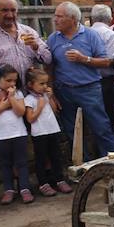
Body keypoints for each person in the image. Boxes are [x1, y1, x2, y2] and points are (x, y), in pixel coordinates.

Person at [47, 2, 114, 160]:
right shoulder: (53, 39)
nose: (55, 19)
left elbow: (106, 61)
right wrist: (51, 91)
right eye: (55, 15)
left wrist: (84, 59)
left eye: (59, 16)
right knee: (72, 131)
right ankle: (83, 168)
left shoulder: (90, 35)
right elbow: (49, 66)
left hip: (89, 89)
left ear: (73, 19)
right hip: (64, 90)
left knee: (101, 127)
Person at [0, 64, 32, 205]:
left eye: (14, 81)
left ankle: (25, 188)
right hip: (1, 136)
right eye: (8, 81)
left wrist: (12, 98)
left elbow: (21, 112)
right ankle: (9, 189)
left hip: (19, 133)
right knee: (5, 163)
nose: (12, 84)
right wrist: (2, 107)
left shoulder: (18, 93)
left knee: (21, 162)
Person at [23, 67, 71, 197]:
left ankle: (59, 179)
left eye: (46, 83)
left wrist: (50, 98)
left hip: (52, 129)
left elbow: (54, 110)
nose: (45, 86)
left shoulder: (46, 96)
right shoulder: (29, 99)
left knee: (56, 156)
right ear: (30, 85)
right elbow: (30, 118)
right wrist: (39, 107)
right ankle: (43, 183)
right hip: (39, 132)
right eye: (41, 84)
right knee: (41, 158)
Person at [90, 4, 114, 133]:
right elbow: (112, 59)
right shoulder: (109, 34)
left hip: (90, 80)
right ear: (110, 18)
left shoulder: (87, 32)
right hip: (106, 80)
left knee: (96, 118)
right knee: (111, 117)